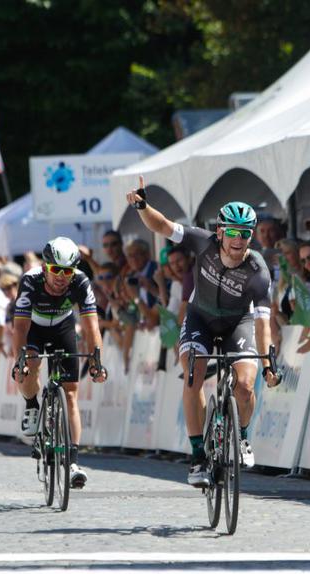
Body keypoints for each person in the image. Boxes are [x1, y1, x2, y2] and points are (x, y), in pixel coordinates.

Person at [127, 177, 279, 488]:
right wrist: (143, 207)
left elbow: (263, 323)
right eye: (233, 232)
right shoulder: (202, 242)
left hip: (238, 323)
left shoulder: (258, 270)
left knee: (246, 385)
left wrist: (268, 364)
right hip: (200, 318)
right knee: (193, 374)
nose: (238, 240)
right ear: (220, 231)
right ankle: (198, 455)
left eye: (245, 234)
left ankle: (242, 436)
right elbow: (163, 225)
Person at [11, 237, 108, 489]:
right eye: (56, 269)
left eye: (67, 271)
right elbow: (19, 328)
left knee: (71, 394)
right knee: (31, 364)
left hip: (63, 327)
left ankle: (73, 463)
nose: (61, 277)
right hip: (33, 328)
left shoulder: (81, 282)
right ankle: (32, 404)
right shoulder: (30, 281)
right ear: (45, 267)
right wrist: (20, 360)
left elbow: (91, 326)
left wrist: (96, 361)